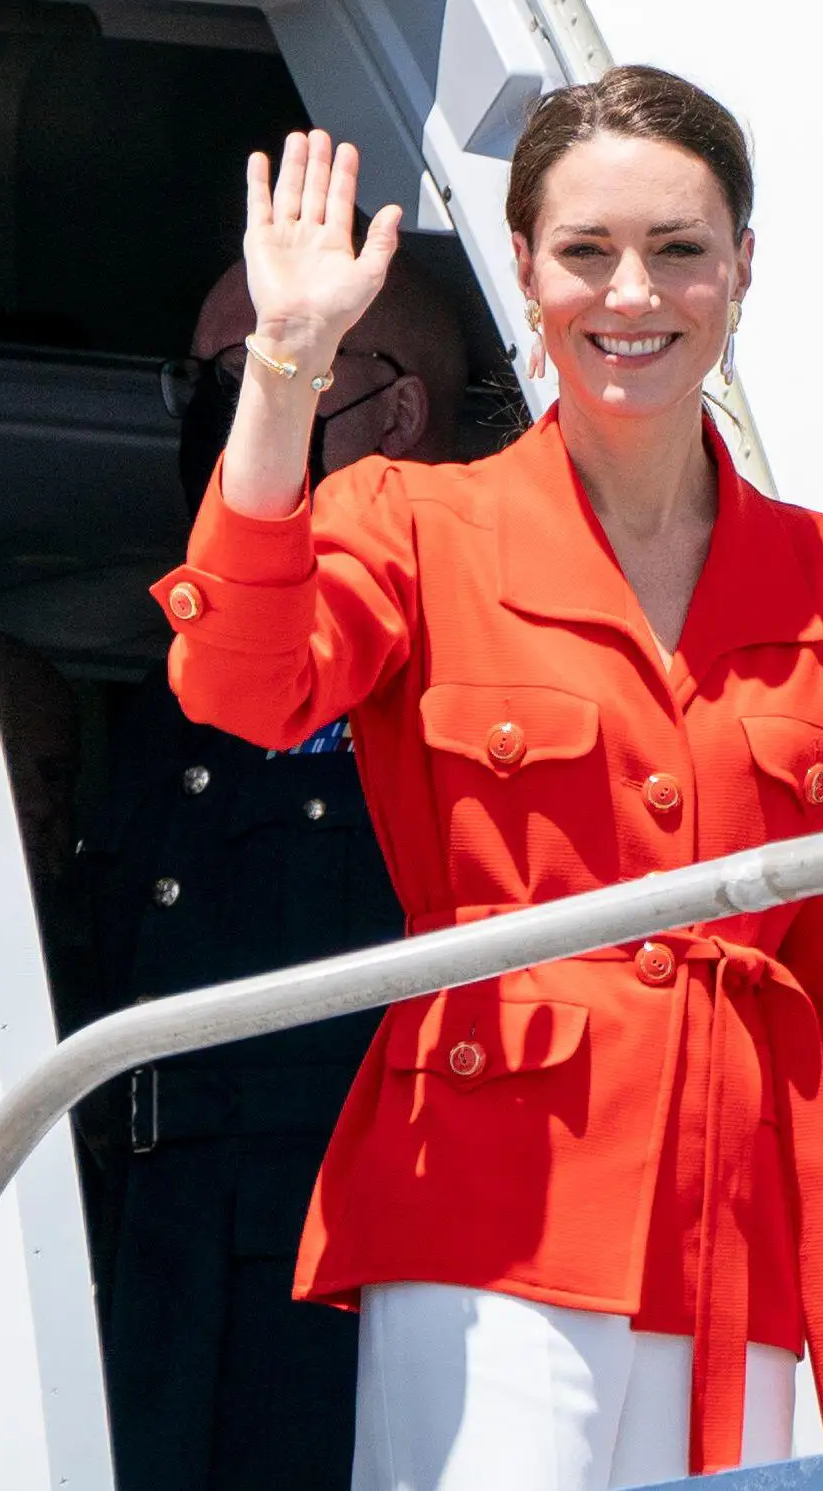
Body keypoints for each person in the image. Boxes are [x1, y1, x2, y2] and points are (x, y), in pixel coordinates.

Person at [151, 69, 823, 1489]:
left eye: (680, 248)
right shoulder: (415, 521)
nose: (629, 291)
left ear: (740, 269)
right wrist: (284, 367)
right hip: (487, 1209)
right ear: (523, 268)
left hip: (740, 1231)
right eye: (584, 251)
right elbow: (242, 678)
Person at [76, 238, 501, 1491]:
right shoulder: (176, 661)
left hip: (330, 1250)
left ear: (396, 405)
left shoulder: (471, 647)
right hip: (154, 1239)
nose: (229, 403)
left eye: (270, 362)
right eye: (213, 374)